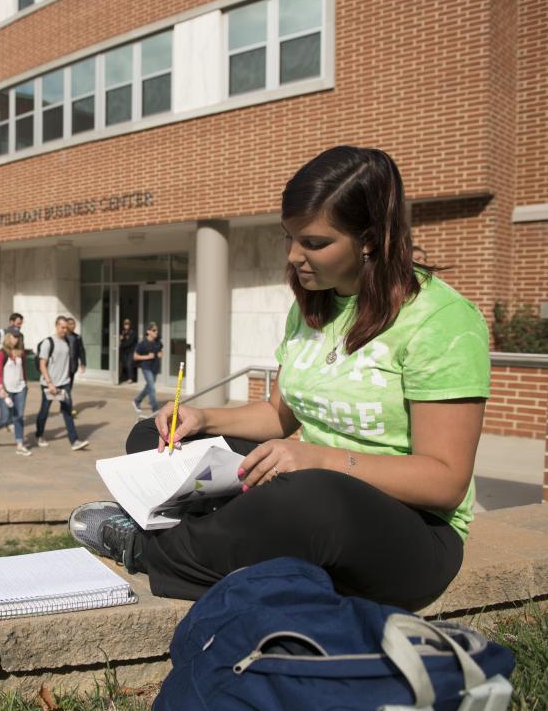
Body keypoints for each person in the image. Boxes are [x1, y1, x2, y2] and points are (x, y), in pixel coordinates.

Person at [69, 145, 490, 612]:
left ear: (370, 238)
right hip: (307, 485)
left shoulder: (442, 320)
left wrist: (321, 460)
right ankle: (233, 536)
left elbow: (445, 481)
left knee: (311, 497)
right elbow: (277, 415)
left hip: (409, 531)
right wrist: (201, 417)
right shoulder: (313, 305)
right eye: (288, 237)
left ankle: (150, 550)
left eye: (314, 243)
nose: (294, 256)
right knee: (152, 434)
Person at [34, 316, 89, 451]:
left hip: (64, 383)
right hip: (49, 384)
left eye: (67, 327)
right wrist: (49, 383)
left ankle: (74, 441)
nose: (65, 330)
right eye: (62, 327)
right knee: (44, 411)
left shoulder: (68, 342)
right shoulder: (48, 342)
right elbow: (42, 364)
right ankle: (39, 435)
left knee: (67, 411)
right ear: (56, 326)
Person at [0, 331, 32, 456]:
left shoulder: (21, 353)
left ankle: (20, 445)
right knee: (5, 418)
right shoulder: (2, 353)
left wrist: (25, 384)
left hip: (20, 388)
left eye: (18, 337)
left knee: (19, 416)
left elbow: (24, 369)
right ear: (8, 337)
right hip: (6, 389)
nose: (16, 339)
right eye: (14, 337)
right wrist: (0, 388)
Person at [132, 323, 163, 414]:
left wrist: (160, 355)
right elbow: (135, 357)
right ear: (148, 331)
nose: (156, 332)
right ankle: (155, 409)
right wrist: (147, 356)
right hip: (146, 368)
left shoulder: (158, 342)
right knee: (152, 388)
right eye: (154, 330)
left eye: (156, 330)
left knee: (149, 387)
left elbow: (161, 352)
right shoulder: (142, 343)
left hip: (155, 368)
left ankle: (137, 401)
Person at [65, 316, 87, 418]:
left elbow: (81, 350)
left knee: (68, 388)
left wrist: (83, 363)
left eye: (74, 324)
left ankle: (66, 407)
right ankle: (69, 408)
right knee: (66, 388)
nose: (72, 326)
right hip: (63, 368)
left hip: (72, 367)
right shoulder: (63, 337)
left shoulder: (77, 337)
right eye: (70, 324)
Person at [119, 318, 138, 383]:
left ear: (130, 325)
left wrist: (122, 342)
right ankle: (128, 377)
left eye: (127, 324)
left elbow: (130, 342)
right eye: (125, 324)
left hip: (131, 350)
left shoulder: (133, 332)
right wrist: (121, 339)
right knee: (125, 364)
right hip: (125, 351)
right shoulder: (123, 331)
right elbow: (123, 339)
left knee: (129, 364)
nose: (126, 325)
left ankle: (131, 378)